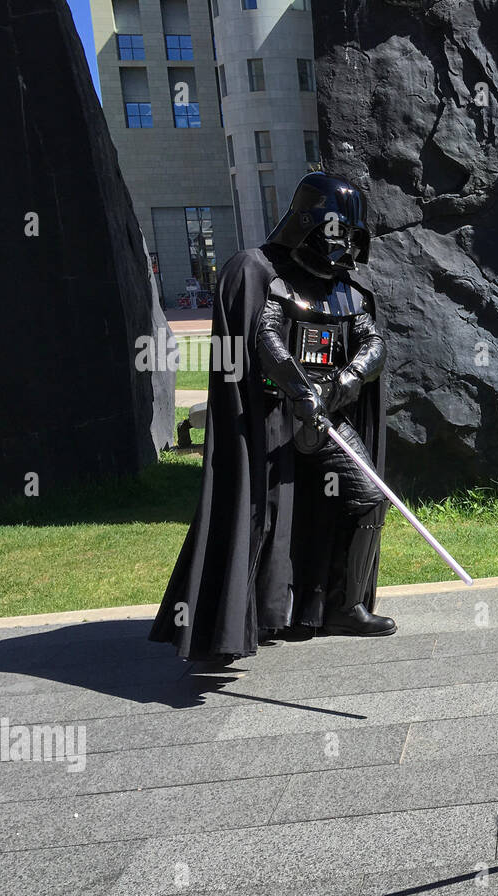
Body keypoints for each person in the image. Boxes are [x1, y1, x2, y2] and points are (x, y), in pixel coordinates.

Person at [150, 173, 396, 663]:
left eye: (349, 238)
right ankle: (237, 621)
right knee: (258, 511)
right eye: (335, 234)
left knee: (368, 496)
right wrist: (298, 389)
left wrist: (345, 383)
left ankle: (342, 606)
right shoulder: (259, 272)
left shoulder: (345, 290)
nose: (342, 248)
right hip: (267, 419)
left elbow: (372, 342)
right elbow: (261, 335)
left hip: (324, 417)